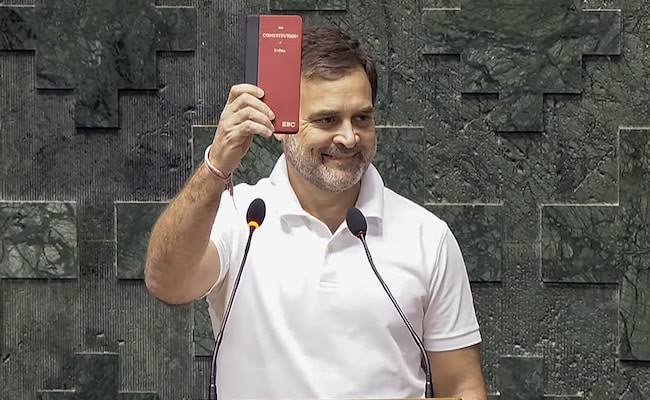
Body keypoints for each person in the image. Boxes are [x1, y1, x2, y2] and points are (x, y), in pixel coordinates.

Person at [145, 26, 487, 400]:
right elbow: (168, 283)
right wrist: (216, 168)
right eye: (327, 120)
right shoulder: (241, 217)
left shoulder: (428, 237)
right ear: (283, 125)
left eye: (362, 119)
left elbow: (460, 386)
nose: (349, 138)